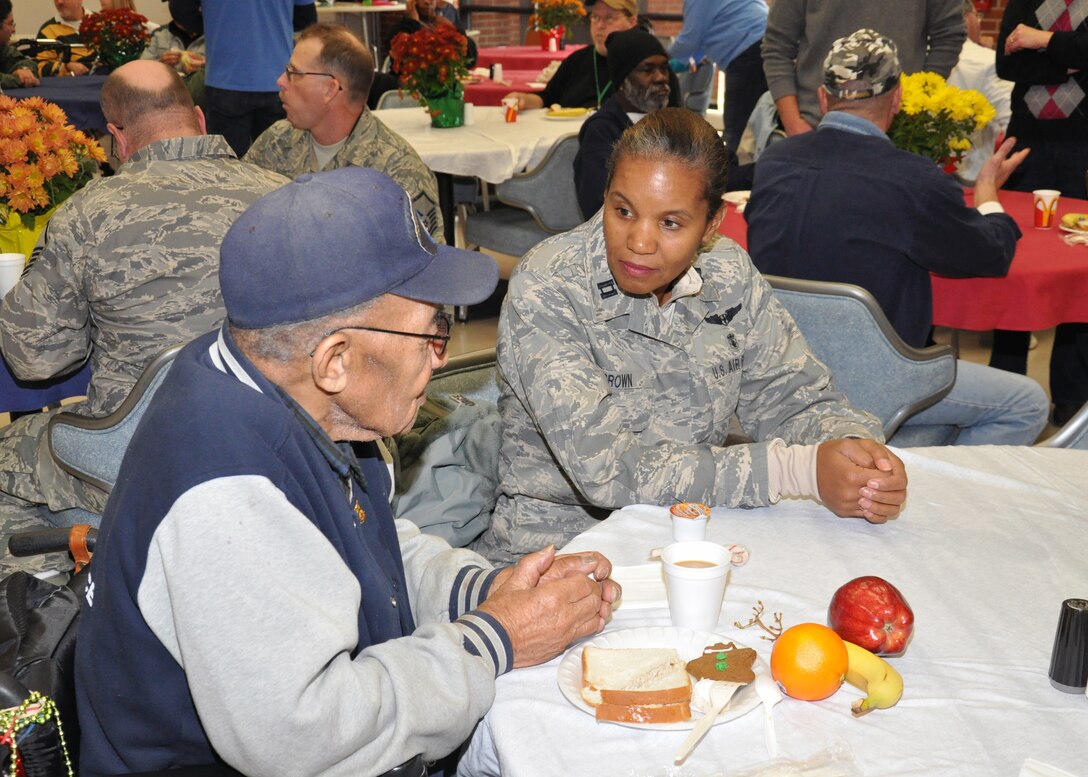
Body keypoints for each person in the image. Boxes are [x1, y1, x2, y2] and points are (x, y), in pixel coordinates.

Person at [74, 166, 621, 776]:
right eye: (433, 333)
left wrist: (485, 591)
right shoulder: (225, 496)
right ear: (336, 360)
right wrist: (495, 640)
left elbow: (372, 548)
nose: (440, 359)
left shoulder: (290, 387)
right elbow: (308, 738)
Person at [475, 107, 908, 564]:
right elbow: (606, 470)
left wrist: (855, 452)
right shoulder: (549, 284)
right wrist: (795, 470)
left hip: (694, 536)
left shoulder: (727, 272)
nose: (639, 241)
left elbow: (793, 398)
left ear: (712, 224)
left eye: (671, 223)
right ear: (604, 196)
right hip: (559, 552)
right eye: (622, 210)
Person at [0, 60, 288, 518]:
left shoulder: (89, 213)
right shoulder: (284, 198)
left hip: (140, 457)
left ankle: (53, 582)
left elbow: (33, 358)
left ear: (118, 138)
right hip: (276, 445)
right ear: (199, 119)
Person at [745, 29, 1048, 448]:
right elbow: (990, 254)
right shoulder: (912, 178)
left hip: (776, 372)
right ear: (898, 98)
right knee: (1026, 402)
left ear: (824, 96)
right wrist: (987, 196)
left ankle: (879, 460)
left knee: (939, 426)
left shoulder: (774, 161)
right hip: (877, 376)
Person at [245, 23, 444, 243]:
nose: (280, 81)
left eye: (294, 73)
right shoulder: (277, 141)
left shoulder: (397, 171)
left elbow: (427, 266)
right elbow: (240, 212)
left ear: (330, 89)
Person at [996, 0, 1088, 426]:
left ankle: (1070, 400)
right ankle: (1004, 383)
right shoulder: (1025, 0)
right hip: (1026, 146)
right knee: (1014, 261)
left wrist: (1041, 41)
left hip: (1082, 151)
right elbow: (1005, 65)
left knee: (1078, 270)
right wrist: (1068, 58)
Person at [761, 0, 965, 135]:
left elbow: (949, 36)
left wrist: (917, 101)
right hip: (814, 126)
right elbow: (777, 45)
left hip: (899, 130)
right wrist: (793, 122)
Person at [171, 0, 317, 156]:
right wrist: (273, 25)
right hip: (276, 77)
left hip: (226, 79)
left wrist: (215, 25)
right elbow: (306, 18)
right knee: (278, 163)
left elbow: (181, 10)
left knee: (226, 165)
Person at [503, 0, 680, 111]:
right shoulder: (577, 60)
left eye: (609, 18)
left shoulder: (650, 67)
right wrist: (524, 98)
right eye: (595, 17)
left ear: (632, 21)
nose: (600, 26)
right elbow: (548, 98)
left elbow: (672, 120)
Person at [574, 28, 670, 217]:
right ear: (622, 81)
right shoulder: (602, 131)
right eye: (647, 70)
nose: (661, 77)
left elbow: (719, 165)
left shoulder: (672, 121)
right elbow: (598, 204)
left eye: (664, 68)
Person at [667, 0, 768, 153]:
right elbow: (706, 34)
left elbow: (689, 39)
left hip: (749, 51)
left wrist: (659, 57)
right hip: (766, 42)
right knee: (760, 123)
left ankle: (737, 173)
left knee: (737, 131)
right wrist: (693, 58)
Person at [948, 0, 1012, 184]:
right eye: (977, 16)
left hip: (918, 171)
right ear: (968, 19)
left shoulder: (913, 55)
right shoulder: (988, 62)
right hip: (972, 178)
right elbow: (1010, 122)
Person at [140, 0, 205, 106]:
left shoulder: (213, 36)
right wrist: (161, 65)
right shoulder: (159, 35)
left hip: (199, 98)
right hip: (163, 96)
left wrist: (203, 67)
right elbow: (141, 69)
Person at [386, 0, 477, 74]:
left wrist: (455, 30)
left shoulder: (441, 24)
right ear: (412, 2)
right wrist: (413, 22)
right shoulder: (402, 29)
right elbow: (416, 57)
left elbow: (470, 59)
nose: (427, 2)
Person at [35, 0, 93, 77]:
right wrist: (65, 67)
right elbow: (38, 66)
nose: (59, 2)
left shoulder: (101, 22)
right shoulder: (47, 30)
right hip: (69, 85)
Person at [0, 0, 38, 88]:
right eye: (10, 23)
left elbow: (26, 62)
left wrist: (25, 70)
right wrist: (19, 79)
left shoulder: (3, 48)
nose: (13, 30)